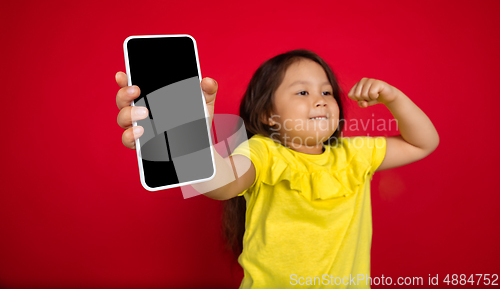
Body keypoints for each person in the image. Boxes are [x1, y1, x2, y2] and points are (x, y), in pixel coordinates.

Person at [115, 49, 439, 288]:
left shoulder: (354, 154)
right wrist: (190, 137)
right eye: (302, 92)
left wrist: (395, 99)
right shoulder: (265, 152)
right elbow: (221, 182)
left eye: (327, 91)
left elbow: (423, 143)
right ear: (269, 115)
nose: (321, 99)